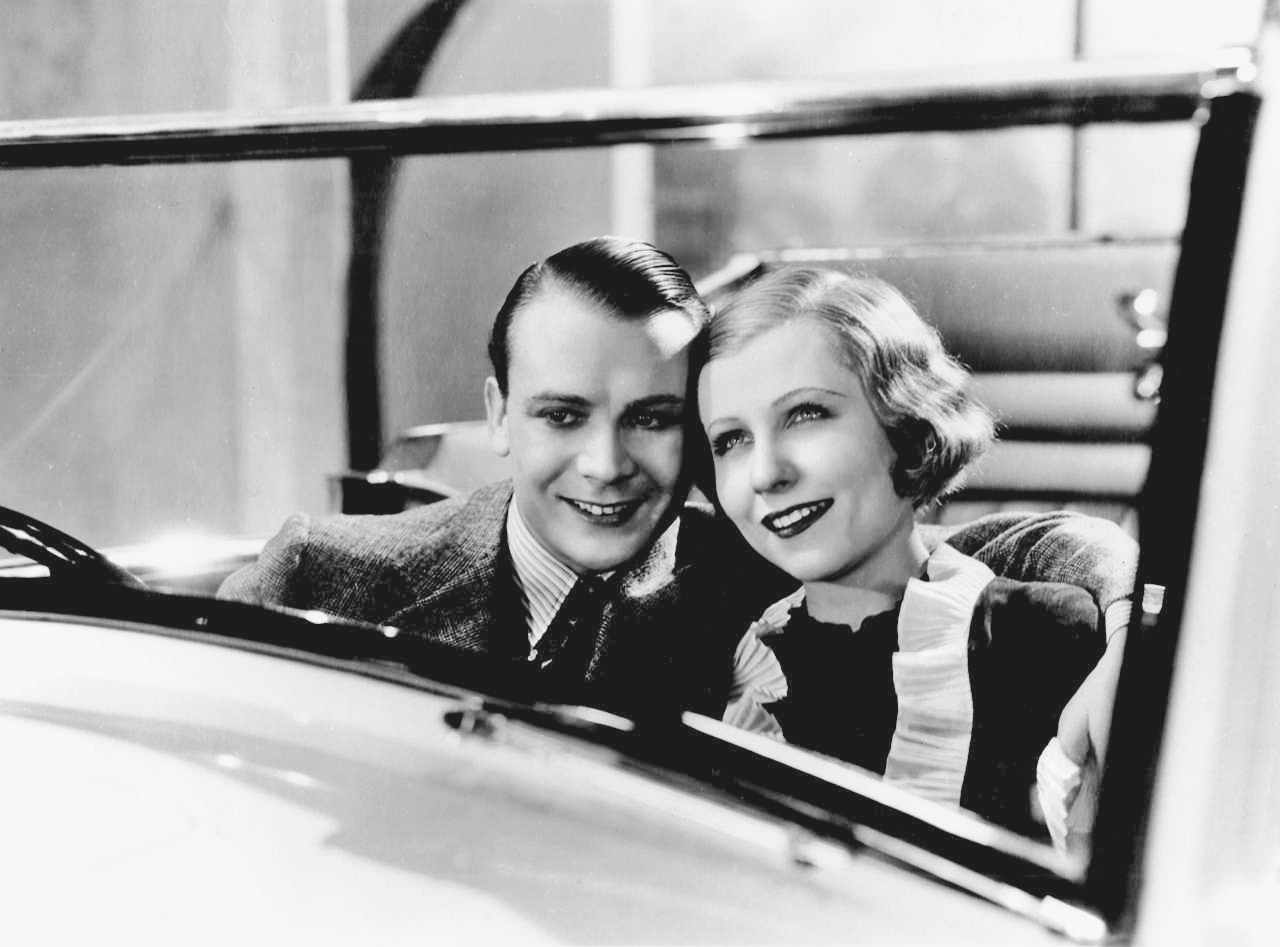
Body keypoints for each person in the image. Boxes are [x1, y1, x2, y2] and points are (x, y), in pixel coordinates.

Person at [220, 236, 767, 719]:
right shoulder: (314, 579)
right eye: (562, 416)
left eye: (651, 420)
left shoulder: (769, 591)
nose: (605, 466)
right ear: (498, 416)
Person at [697, 265, 1114, 838]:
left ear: (907, 427)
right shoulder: (715, 661)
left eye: (806, 415)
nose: (765, 473)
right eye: (731, 440)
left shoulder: (1042, 637)